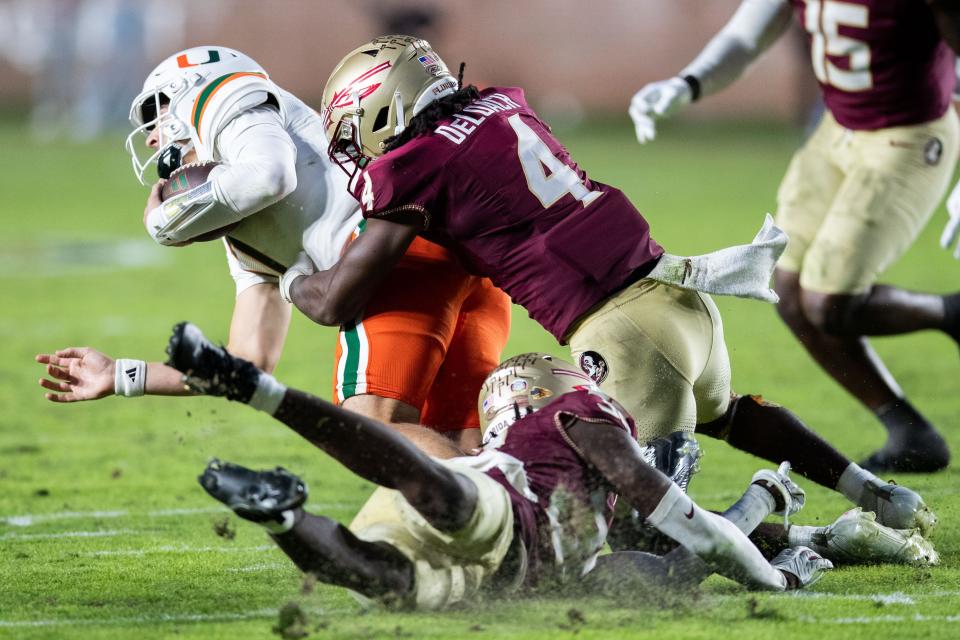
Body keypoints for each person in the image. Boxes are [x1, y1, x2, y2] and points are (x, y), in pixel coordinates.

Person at [279, 35, 936, 535]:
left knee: (643, 535)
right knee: (730, 414)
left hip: (623, 333)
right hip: (681, 300)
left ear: (383, 108)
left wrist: (289, 277)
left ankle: (788, 524)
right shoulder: (501, 104)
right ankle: (876, 494)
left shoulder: (412, 167)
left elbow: (339, 300)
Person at [34, 45, 511, 456]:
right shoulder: (244, 230)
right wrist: (121, 375)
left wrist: (164, 221)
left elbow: (268, 176)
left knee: (374, 435)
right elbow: (248, 362)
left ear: (189, 88)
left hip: (390, 253)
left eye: (157, 114)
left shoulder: (225, 99)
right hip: (448, 250)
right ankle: (538, 527)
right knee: (460, 443)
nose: (155, 138)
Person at [165, 322, 833, 608]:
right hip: (498, 510)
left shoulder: (532, 442)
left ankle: (283, 515)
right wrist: (772, 558)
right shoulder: (582, 417)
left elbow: (683, 565)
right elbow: (699, 539)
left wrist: (761, 504)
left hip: (504, 574)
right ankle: (251, 385)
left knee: (384, 578)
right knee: (447, 503)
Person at [628, 0, 960, 473]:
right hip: (838, 129)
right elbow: (745, 37)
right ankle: (910, 429)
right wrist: (688, 83)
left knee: (829, 302)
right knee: (786, 292)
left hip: (910, 135)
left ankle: (950, 313)